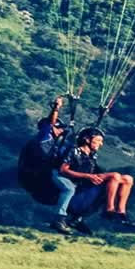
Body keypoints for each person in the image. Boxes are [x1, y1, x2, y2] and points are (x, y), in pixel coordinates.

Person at [15, 97, 80, 231]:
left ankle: (76, 217)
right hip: (37, 174)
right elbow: (50, 124)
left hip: (42, 174)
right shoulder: (44, 136)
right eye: (58, 127)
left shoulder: (57, 144)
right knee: (68, 188)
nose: (61, 130)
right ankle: (60, 218)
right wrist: (56, 108)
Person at [57, 126, 135, 232]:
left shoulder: (92, 155)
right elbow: (63, 170)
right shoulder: (74, 151)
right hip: (79, 185)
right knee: (115, 176)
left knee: (128, 179)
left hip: (88, 181)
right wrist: (87, 176)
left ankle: (121, 213)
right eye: (98, 140)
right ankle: (109, 210)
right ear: (87, 140)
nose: (101, 144)